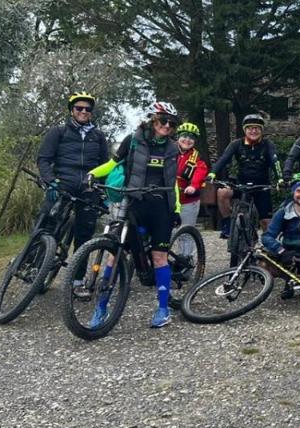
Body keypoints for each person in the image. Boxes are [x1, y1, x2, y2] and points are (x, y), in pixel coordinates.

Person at [88, 101, 182, 329]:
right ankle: (101, 307)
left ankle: (162, 309)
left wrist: (177, 208)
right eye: (163, 121)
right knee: (115, 254)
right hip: (135, 204)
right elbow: (112, 164)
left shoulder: (172, 148)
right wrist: (92, 174)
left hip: (161, 207)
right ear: (152, 119)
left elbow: (173, 183)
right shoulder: (133, 141)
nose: (167, 126)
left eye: (171, 123)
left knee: (159, 257)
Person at [36, 92, 110, 262]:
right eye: (79, 108)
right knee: (47, 223)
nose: (83, 111)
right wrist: (50, 182)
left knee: (84, 234)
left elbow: (104, 165)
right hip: (62, 183)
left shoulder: (98, 136)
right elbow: (43, 159)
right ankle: (32, 262)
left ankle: (77, 279)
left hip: (89, 187)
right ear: (72, 110)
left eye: (88, 108)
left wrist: (104, 193)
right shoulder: (58, 132)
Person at [210, 113, 282, 238]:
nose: (253, 131)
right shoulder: (236, 144)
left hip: (262, 186)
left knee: (266, 223)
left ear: (261, 130)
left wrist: (280, 178)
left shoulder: (268, 145)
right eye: (250, 128)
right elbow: (223, 159)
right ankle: (227, 224)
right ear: (245, 130)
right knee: (222, 192)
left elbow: (275, 162)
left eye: (257, 128)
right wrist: (212, 173)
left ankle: (269, 249)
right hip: (241, 185)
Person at [175, 122, 209, 228]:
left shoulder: (197, 157)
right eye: (184, 136)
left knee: (186, 232)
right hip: (167, 198)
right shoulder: (168, 151)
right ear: (178, 137)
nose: (187, 140)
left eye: (191, 138)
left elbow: (201, 171)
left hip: (187, 199)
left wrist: (193, 185)